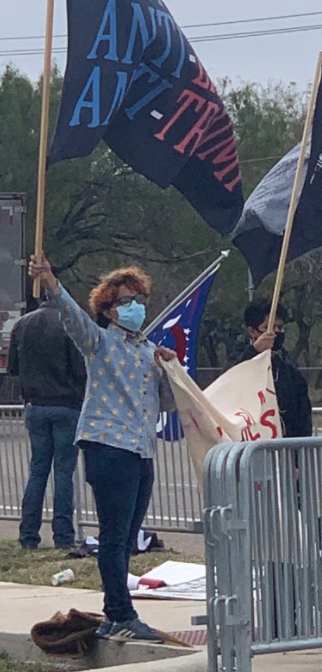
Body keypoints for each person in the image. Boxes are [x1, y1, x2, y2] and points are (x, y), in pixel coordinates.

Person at [28, 254, 176, 644]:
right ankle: (122, 612)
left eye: (139, 300)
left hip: (141, 451)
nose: (135, 308)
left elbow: (171, 402)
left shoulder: (147, 351)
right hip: (108, 448)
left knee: (127, 538)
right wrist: (50, 281)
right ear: (108, 309)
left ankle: (115, 612)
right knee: (113, 537)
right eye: (125, 301)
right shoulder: (100, 343)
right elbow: (72, 318)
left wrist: (170, 368)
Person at [8, 298, 87, 550]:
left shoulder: (21, 325)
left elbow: (12, 369)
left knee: (37, 470)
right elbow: (80, 370)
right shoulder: (68, 324)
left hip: (35, 405)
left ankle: (28, 534)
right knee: (64, 472)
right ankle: (63, 536)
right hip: (66, 405)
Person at [236, 299, 312, 437]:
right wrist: (254, 351)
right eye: (269, 328)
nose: (276, 333)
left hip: (286, 451)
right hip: (249, 449)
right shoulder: (238, 361)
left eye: (280, 327)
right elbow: (227, 383)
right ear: (252, 331)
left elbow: (303, 420)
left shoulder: (291, 373)